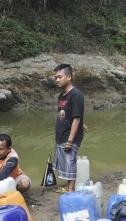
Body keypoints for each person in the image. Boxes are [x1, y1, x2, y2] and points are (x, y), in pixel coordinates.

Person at [52, 64, 87, 193]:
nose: (57, 80)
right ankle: (68, 186)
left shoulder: (76, 95)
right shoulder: (61, 96)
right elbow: (69, 114)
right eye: (55, 77)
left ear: (69, 76)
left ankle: (71, 190)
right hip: (62, 134)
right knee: (65, 163)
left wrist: (70, 140)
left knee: (70, 161)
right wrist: (81, 124)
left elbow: (76, 118)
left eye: (60, 77)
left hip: (70, 137)